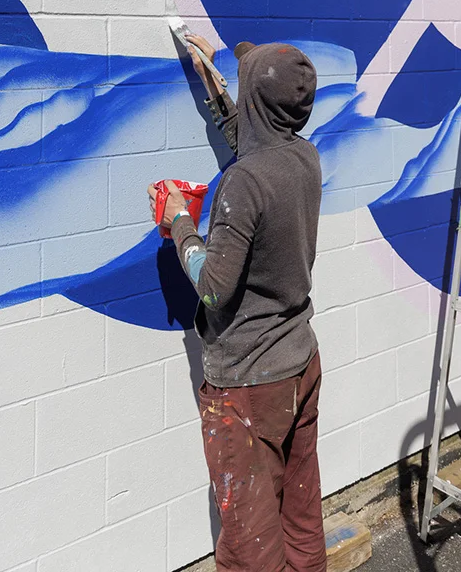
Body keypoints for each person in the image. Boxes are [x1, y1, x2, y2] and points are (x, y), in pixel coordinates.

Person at [147, 35, 326, 572]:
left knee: (249, 546)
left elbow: (212, 287)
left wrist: (179, 221)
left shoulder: (242, 184)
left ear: (256, 103)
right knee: (300, 517)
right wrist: (221, 94)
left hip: (249, 387)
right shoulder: (303, 157)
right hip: (300, 366)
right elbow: (260, 149)